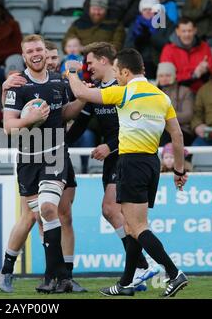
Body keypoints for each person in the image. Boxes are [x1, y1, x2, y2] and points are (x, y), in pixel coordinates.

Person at [66, 48, 189, 298]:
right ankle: (125, 283)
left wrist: (70, 71)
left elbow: (80, 92)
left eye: (118, 73)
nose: (117, 77)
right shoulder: (161, 96)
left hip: (131, 162)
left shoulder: (122, 92)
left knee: (138, 227)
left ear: (123, 71)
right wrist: (178, 170)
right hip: (152, 163)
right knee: (133, 227)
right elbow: (177, 136)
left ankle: (174, 273)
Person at [0, 34, 89, 294]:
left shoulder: (58, 83)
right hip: (28, 160)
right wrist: (30, 118)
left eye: (39, 49)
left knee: (50, 208)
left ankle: (54, 277)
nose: (36, 54)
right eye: (31, 51)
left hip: (55, 154)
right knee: (35, 215)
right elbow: (8, 126)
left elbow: (65, 114)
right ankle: (14, 271)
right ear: (23, 54)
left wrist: (83, 96)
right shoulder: (17, 84)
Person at [160, 17, 212, 94]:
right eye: (183, 31)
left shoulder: (204, 46)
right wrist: (193, 75)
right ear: (177, 32)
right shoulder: (168, 49)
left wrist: (207, 68)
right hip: (177, 92)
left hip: (202, 90)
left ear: (195, 30)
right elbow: (167, 78)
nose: (187, 34)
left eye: (189, 31)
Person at [125, 0, 175, 79]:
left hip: (160, 62)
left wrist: (151, 37)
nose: (148, 12)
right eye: (145, 9)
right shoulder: (135, 25)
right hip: (140, 64)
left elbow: (168, 45)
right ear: (141, 11)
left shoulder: (167, 23)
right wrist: (137, 42)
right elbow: (127, 47)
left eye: (151, 9)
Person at [156, 62, 195, 146]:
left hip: (182, 130)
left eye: (168, 75)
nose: (164, 78)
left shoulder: (185, 91)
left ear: (174, 76)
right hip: (160, 130)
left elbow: (188, 115)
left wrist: (163, 117)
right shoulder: (154, 92)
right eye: (161, 76)